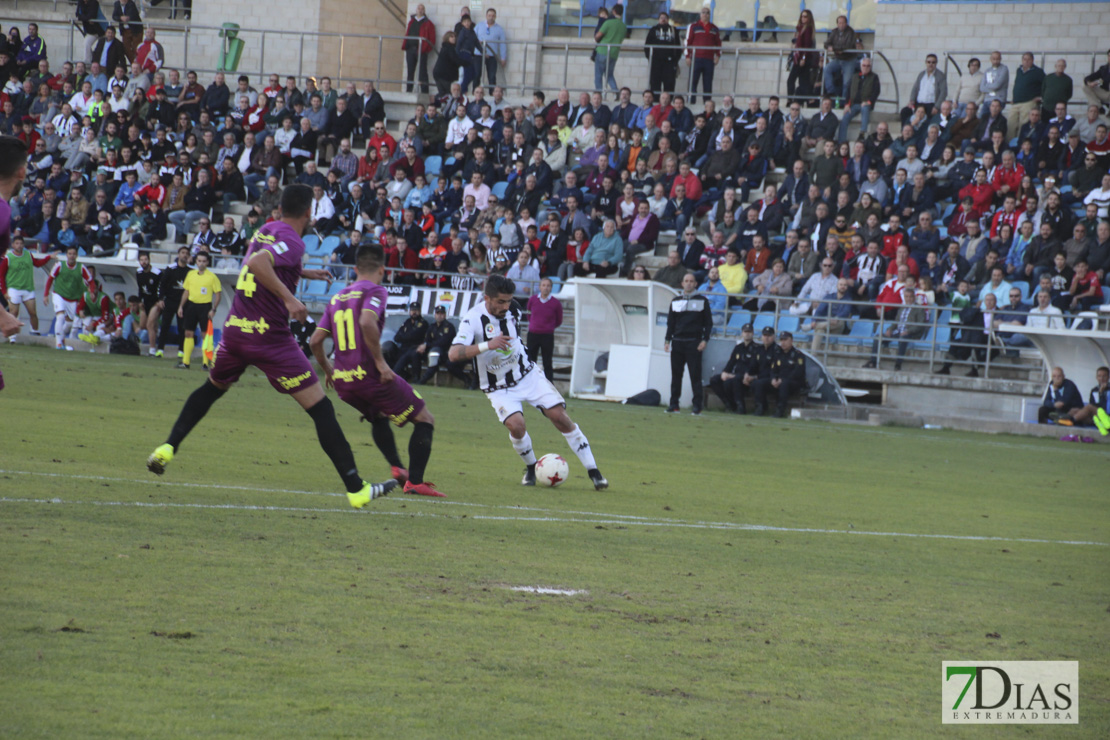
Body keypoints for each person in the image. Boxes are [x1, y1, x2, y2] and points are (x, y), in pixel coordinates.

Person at [146, 184, 397, 508]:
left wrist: (302, 272)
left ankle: (167, 447)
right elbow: (260, 265)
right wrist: (290, 298)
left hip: (237, 330)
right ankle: (356, 488)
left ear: (280, 207)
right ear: (309, 212)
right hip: (270, 337)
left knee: (212, 388)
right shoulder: (293, 240)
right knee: (321, 409)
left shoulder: (266, 229)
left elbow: (257, 262)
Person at [449, 274, 608, 489]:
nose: (506, 306)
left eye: (508, 300)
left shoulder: (513, 308)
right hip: (498, 387)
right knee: (516, 426)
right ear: (487, 298)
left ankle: (594, 472)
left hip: (528, 375)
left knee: (559, 416)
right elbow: (453, 354)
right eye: (500, 301)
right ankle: (532, 468)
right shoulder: (472, 319)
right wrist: (488, 345)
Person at [309, 245, 443, 498]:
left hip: (345, 383)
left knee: (378, 415)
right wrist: (381, 364)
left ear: (356, 269)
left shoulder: (337, 298)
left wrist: (328, 369)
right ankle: (414, 481)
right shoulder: (376, 290)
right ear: (382, 269)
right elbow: (366, 321)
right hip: (369, 375)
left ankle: (396, 466)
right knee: (425, 418)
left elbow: (315, 340)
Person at [664, 272, 712, 415]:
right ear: (682, 283)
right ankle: (674, 405)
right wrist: (667, 340)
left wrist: (705, 340)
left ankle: (697, 406)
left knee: (695, 376)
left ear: (696, 284)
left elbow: (708, 323)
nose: (689, 283)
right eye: (686, 281)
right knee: (676, 376)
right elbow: (670, 323)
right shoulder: (675, 301)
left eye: (692, 281)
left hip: (694, 342)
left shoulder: (703, 301)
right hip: (677, 342)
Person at [0, 235, 54, 341]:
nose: (19, 246)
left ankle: (34, 333)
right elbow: (1, 275)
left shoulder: (28, 255)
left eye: (21, 243)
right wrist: (4, 291)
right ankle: (12, 336)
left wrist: (48, 257)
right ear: (13, 245)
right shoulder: (9, 258)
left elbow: (37, 264)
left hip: (27, 288)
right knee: (14, 312)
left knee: (33, 312)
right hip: (14, 288)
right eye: (17, 243)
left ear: (23, 245)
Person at [43, 245, 96, 351]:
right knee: (60, 316)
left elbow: (91, 281)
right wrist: (46, 294)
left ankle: (61, 339)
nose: (72, 256)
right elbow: (50, 279)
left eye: (74, 254)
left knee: (70, 322)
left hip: (73, 299)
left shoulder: (81, 267)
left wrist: (92, 291)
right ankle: (58, 343)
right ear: (66, 255)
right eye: (70, 254)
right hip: (59, 295)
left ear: (77, 255)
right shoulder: (59, 265)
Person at [175, 251, 221, 370]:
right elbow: (186, 291)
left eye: (204, 261)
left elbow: (218, 294)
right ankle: (186, 362)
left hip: (205, 307)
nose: (201, 263)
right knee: (188, 333)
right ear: (196, 261)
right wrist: (181, 306)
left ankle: (205, 363)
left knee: (205, 335)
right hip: (191, 306)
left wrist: (213, 309)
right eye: (199, 261)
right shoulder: (191, 274)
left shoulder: (212, 277)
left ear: (207, 262)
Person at [864, 285, 926, 370]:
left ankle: (898, 364)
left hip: (910, 333)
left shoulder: (919, 309)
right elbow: (896, 322)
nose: (909, 299)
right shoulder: (901, 308)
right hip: (897, 332)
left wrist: (908, 331)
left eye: (911, 297)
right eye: (906, 297)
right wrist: (890, 329)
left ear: (914, 297)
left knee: (903, 338)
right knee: (878, 337)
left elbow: (920, 325)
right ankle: (873, 362)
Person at [752, 331, 807, 418]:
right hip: (779, 381)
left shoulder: (798, 355)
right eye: (781, 340)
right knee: (759, 383)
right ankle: (760, 407)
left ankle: (780, 410)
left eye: (785, 340)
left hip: (793, 383)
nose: (783, 342)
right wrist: (773, 379)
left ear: (791, 341)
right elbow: (773, 369)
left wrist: (782, 379)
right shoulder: (777, 354)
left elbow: (798, 372)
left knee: (784, 384)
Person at [708, 323, 760, 414]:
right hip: (735, 375)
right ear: (742, 333)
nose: (747, 334)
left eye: (749, 332)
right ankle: (729, 404)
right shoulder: (738, 347)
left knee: (730, 381)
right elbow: (731, 362)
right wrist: (725, 372)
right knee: (714, 380)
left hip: (746, 377)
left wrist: (732, 375)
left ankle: (740, 407)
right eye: (745, 332)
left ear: (753, 333)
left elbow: (753, 366)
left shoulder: (757, 348)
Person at [526, 277, 562, 382]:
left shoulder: (555, 303)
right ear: (540, 287)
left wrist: (548, 327)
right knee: (531, 361)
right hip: (533, 334)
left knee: (547, 361)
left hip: (547, 335)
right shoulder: (532, 300)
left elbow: (559, 320)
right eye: (543, 285)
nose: (546, 288)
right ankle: (529, 383)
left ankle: (549, 386)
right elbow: (529, 314)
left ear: (551, 288)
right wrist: (535, 324)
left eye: (548, 286)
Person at [684, 7, 721, 105]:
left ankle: (707, 104)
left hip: (709, 60)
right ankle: (690, 102)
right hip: (696, 59)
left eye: (707, 13)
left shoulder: (714, 28)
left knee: (708, 83)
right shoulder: (693, 26)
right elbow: (687, 41)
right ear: (700, 14)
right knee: (693, 82)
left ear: (710, 15)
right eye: (703, 12)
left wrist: (717, 56)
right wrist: (687, 56)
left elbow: (718, 43)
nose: (705, 14)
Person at [593, 4, 627, 98]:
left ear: (614, 11)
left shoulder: (608, 23)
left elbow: (597, 37)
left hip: (602, 51)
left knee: (598, 74)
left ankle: (598, 95)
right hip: (614, 53)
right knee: (609, 75)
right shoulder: (624, 26)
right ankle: (615, 92)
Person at [645, 12, 681, 95]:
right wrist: (650, 58)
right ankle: (656, 102)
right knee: (655, 83)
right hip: (656, 62)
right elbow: (647, 46)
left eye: (665, 18)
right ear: (658, 19)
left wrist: (675, 60)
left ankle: (668, 103)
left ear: (668, 20)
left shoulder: (673, 30)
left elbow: (678, 47)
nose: (663, 19)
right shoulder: (653, 30)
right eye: (661, 18)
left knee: (669, 84)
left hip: (669, 62)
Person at [403, 4, 436, 95]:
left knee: (422, 72)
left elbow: (432, 39)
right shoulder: (411, 21)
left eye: (422, 9)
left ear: (424, 11)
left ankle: (424, 91)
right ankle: (409, 90)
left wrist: (426, 48)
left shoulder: (428, 23)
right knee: (410, 71)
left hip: (421, 50)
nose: (420, 10)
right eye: (419, 8)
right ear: (416, 10)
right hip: (410, 49)